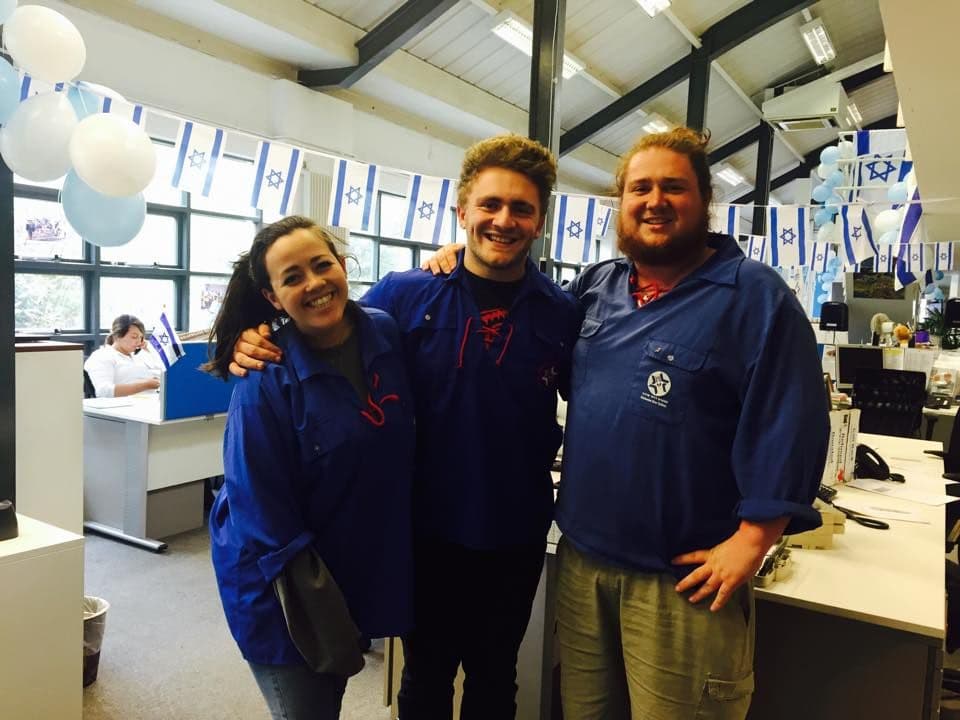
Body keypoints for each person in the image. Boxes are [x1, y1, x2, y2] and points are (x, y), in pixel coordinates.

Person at [421, 127, 828, 718]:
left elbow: (791, 419)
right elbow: (519, 319)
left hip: (681, 581)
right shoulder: (596, 288)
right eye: (640, 188)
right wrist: (463, 259)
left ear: (704, 200)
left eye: (673, 187)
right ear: (622, 203)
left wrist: (754, 539)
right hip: (583, 563)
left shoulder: (753, 296)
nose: (655, 201)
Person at [229, 135, 582, 719]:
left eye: (521, 208)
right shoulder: (404, 296)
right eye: (489, 205)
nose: (503, 220)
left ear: (541, 219)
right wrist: (257, 337)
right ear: (461, 211)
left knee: (497, 678)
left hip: (515, 534)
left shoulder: (562, 310)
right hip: (422, 533)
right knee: (425, 680)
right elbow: (322, 324)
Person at [204, 216, 416, 720]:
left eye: (322, 265)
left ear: (344, 267)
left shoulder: (383, 332)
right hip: (281, 582)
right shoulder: (264, 380)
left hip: (349, 560)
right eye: (292, 277)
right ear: (273, 298)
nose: (315, 284)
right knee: (308, 708)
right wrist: (323, 610)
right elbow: (262, 516)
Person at [83, 314, 162, 397]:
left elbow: (161, 377)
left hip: (152, 402)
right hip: (126, 406)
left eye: (141, 337)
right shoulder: (102, 356)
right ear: (117, 336)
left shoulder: (139, 355)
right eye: (134, 337)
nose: (139, 342)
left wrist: (150, 350)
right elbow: (104, 391)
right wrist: (145, 385)